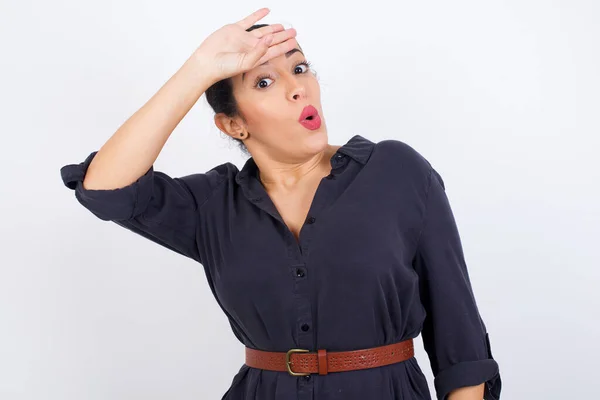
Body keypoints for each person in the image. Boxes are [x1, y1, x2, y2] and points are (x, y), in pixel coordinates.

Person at [60, 8, 501, 400]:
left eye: (301, 68)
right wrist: (197, 70)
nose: (298, 89)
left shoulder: (397, 172)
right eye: (265, 81)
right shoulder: (213, 205)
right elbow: (106, 190)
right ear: (233, 125)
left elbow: (461, 348)